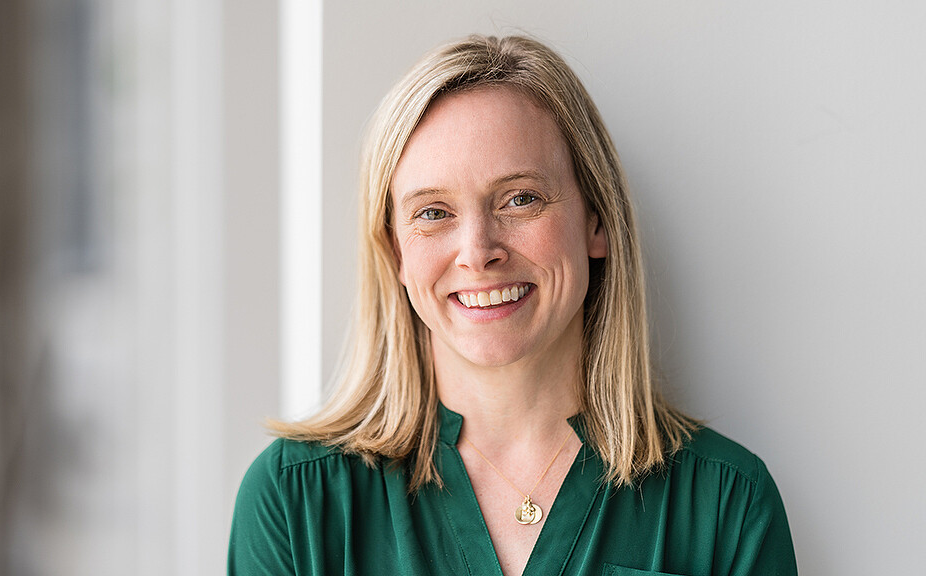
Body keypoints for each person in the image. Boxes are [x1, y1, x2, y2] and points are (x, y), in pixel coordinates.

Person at [228, 35, 797, 576]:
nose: (477, 252)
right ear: (395, 251)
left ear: (596, 220)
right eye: (433, 212)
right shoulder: (295, 502)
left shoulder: (726, 504)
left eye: (520, 199)